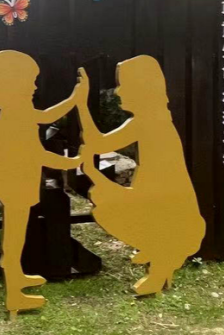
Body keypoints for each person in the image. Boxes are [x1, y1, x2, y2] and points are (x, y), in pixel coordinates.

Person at [76, 55, 204, 295]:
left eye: (123, 85)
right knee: (104, 197)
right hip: (161, 195)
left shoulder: (148, 122)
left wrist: (81, 104)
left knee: (108, 204)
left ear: (143, 89)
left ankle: (158, 268)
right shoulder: (154, 119)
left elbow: (97, 143)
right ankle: (156, 256)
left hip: (166, 201)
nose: (117, 92)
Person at [0, 50, 88, 315]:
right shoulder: (16, 116)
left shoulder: (16, 111)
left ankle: (16, 275)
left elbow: (45, 117)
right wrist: (72, 162)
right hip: (16, 188)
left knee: (15, 236)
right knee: (14, 239)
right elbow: (38, 153)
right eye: (30, 81)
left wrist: (74, 98)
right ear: (13, 83)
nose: (34, 87)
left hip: (16, 185)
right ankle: (14, 295)